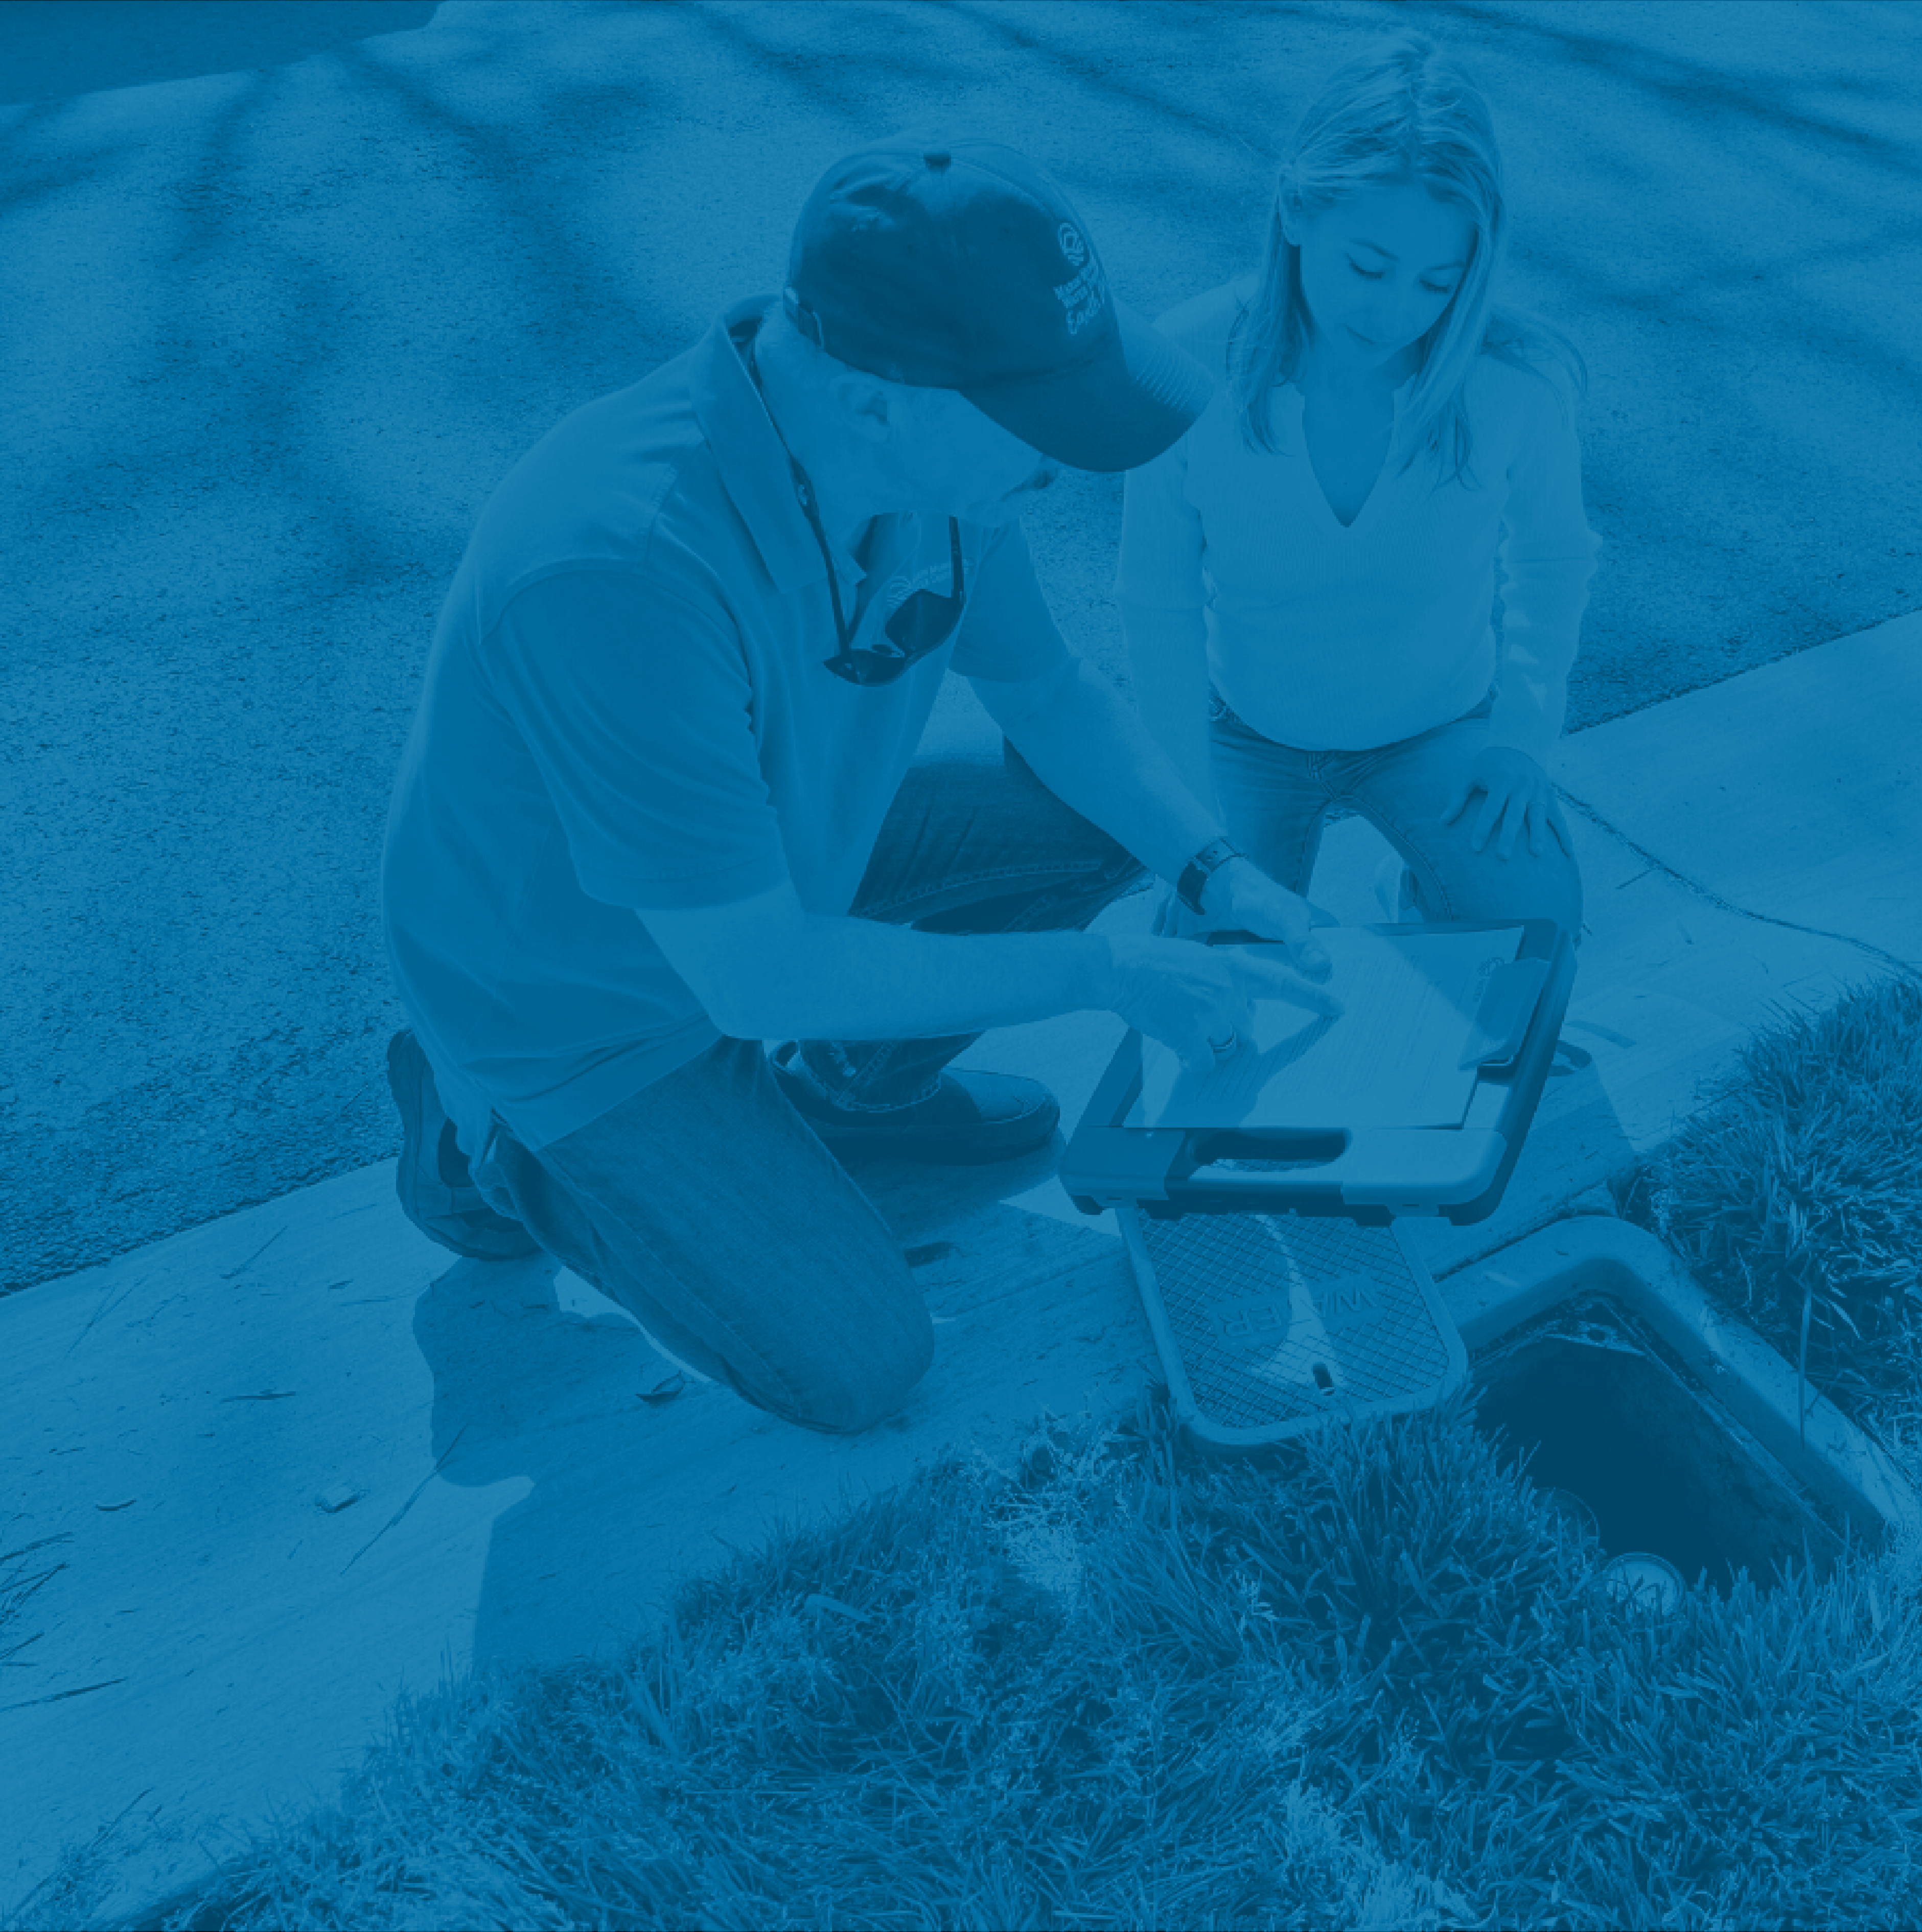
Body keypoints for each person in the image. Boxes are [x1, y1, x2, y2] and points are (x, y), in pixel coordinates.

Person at [380, 136, 1347, 1436]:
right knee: (863, 1360)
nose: (1061, 459)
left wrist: (1215, 874)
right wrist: (1108, 971)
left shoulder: (933, 471)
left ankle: (843, 1097)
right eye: (1038, 416)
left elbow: (1051, 696)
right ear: (881, 399)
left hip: (768, 867)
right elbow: (756, 975)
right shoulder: (613, 566)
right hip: (575, 1004)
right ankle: (479, 1143)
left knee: (1094, 818)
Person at [1119, 31, 1600, 955]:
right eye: (1367, 266)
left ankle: (1419, 890)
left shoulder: (1516, 386)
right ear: (1297, 213)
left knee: (1535, 938)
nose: (1392, 314)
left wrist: (1522, 737)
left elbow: (1553, 554)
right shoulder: (1181, 363)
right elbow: (1157, 601)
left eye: (1436, 283)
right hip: (1244, 735)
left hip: (1437, 731)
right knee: (1211, 977)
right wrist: (1187, 824)